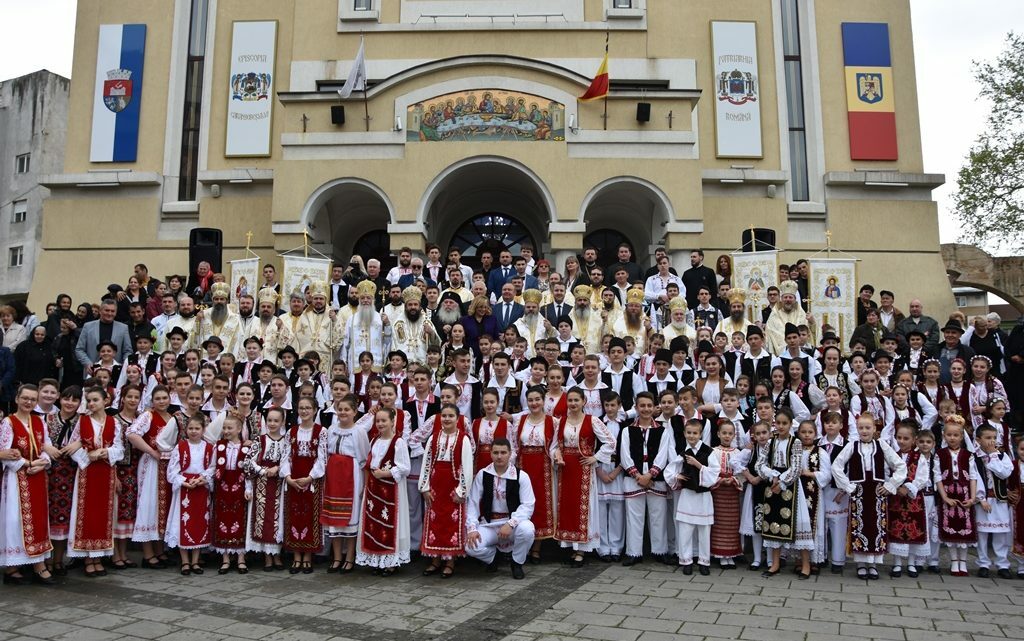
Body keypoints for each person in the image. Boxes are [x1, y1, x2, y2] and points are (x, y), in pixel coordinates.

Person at [0, 384, 57, 585]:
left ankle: (38, 564)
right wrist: (27, 463)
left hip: (38, 477)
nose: (28, 402)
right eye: (25, 398)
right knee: (16, 520)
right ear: (16, 399)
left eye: (33, 399)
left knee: (39, 519)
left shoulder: (38, 421)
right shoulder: (9, 422)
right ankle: (12, 565)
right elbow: (5, 453)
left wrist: (42, 462)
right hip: (17, 480)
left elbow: (45, 447)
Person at [554, 387, 616, 566]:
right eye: (570, 400)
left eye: (576, 400)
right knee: (567, 506)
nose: (573, 404)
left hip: (583, 469)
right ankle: (570, 546)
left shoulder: (592, 420)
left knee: (583, 506)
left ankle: (581, 549)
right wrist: (557, 456)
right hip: (565, 469)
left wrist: (595, 457)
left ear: (583, 402)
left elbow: (610, 441)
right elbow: (556, 445)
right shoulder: (561, 421)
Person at [66, 387, 124, 576]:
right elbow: (72, 446)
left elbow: (120, 449)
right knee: (87, 513)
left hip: (106, 472)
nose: (91, 404)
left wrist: (105, 452)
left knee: (102, 514)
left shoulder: (113, 423)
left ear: (105, 401)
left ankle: (98, 557)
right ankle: (87, 558)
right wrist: (87, 457)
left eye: (95, 400)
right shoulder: (82, 421)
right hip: (87, 473)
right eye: (89, 400)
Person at [465, 437, 535, 579]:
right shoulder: (483, 474)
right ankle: (494, 557)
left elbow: (528, 505)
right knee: (470, 547)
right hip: (489, 524)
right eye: (496, 452)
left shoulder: (521, 476)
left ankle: (516, 562)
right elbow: (472, 502)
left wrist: (511, 523)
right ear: (490, 453)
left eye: (503, 452)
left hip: (511, 524)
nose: (499, 456)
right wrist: (472, 528)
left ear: (510, 454)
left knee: (527, 529)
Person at [419, 403, 474, 577]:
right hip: (435, 487)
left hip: (452, 487)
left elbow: (466, 466)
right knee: (435, 522)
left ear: (458, 419)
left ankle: (450, 561)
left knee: (451, 523)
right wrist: (425, 487)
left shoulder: (463, 438)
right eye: (444, 416)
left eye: (451, 416)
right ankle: (435, 560)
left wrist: (462, 490)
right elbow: (427, 463)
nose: (447, 419)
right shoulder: (434, 437)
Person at [619, 392, 671, 566]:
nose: (646, 409)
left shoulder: (663, 430)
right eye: (642, 405)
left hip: (656, 479)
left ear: (655, 407)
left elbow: (663, 455)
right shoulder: (627, 430)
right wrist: (637, 475)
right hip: (634, 479)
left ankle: (660, 550)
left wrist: (650, 474)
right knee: (634, 517)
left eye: (649, 405)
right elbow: (625, 456)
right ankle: (634, 552)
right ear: (636, 407)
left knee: (658, 515)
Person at [665, 417, 720, 575]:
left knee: (704, 531)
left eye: (695, 433)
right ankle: (686, 560)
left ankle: (704, 561)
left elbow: (715, 473)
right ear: (684, 433)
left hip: (703, 497)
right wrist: (677, 476)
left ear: (700, 434)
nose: (692, 436)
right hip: (688, 496)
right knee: (686, 529)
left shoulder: (708, 452)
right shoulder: (684, 453)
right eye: (689, 433)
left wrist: (699, 466)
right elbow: (670, 470)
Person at [322, 394, 369, 573]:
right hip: (334, 476)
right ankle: (336, 557)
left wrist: (363, 484)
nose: (343, 412)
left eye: (346, 410)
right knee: (334, 517)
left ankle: (349, 557)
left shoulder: (359, 432)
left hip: (352, 475)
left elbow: (364, 458)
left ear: (355, 412)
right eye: (340, 409)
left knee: (350, 517)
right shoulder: (331, 429)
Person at [282, 397, 328, 573]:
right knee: (294, 515)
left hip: (312, 481)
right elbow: (285, 456)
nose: (304, 411)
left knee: (310, 516)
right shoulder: (291, 432)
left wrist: (310, 477)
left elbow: (322, 458)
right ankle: (296, 556)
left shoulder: (321, 431)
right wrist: (287, 477)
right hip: (293, 480)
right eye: (301, 408)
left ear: (315, 410)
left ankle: (308, 556)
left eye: (308, 408)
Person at [242, 406, 289, 570]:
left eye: (276, 420)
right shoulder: (259, 440)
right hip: (261, 484)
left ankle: (276, 554)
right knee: (263, 519)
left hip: (278, 484)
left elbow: (288, 459)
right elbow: (248, 461)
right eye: (269, 420)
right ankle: (267, 557)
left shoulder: (286, 440)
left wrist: (277, 469)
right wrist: (263, 470)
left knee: (277, 519)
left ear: (282, 421)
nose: (272, 423)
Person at [935, 415, 978, 576]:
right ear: (944, 436)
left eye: (956, 435)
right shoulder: (940, 454)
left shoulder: (968, 455)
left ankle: (963, 561)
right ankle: (954, 561)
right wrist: (944, 497)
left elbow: (973, 476)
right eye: (949, 435)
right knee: (950, 527)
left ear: (961, 436)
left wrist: (973, 498)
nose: (952, 438)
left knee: (964, 527)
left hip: (964, 493)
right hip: (947, 494)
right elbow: (937, 476)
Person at [211, 414, 251, 574]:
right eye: (224, 428)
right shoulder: (219, 446)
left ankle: (241, 557)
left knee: (239, 519)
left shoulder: (246, 447)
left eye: (230, 428)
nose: (226, 431)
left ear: (239, 429)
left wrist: (248, 488)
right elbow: (213, 466)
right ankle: (225, 558)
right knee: (223, 518)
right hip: (222, 486)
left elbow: (247, 471)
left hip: (239, 487)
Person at [974, 423, 1013, 578]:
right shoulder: (975, 458)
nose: (992, 441)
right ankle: (983, 563)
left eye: (994, 438)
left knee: (1000, 533)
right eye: (988, 438)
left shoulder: (1003, 456)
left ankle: (1002, 564)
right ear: (978, 440)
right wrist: (981, 498)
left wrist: (993, 455)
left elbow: (1004, 473)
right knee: (982, 533)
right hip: (983, 500)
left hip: (1000, 500)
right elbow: (974, 478)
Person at [75, 300, 134, 373]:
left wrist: (123, 366)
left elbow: (128, 351)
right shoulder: (88, 327)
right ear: (100, 311)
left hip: (115, 373)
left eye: (112, 311)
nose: (109, 313)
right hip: (92, 372)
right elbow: (79, 349)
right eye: (107, 310)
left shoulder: (123, 328)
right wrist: (87, 363)